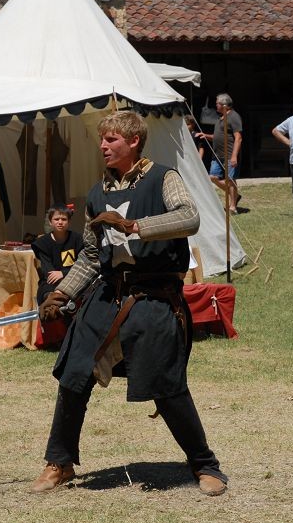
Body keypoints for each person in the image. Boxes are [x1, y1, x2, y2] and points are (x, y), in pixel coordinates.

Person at [34, 110, 228, 497]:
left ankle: (205, 464)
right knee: (73, 374)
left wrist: (137, 226)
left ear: (134, 141)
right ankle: (60, 461)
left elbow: (189, 217)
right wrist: (63, 293)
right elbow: (92, 255)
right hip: (107, 295)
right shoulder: (97, 194)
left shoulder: (163, 178)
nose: (103, 146)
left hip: (154, 297)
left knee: (166, 385)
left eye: (112, 139)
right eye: (102, 139)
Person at [31, 204, 84, 305]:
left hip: (75, 277)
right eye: (56, 219)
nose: (60, 222)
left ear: (69, 222)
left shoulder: (77, 239)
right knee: (46, 290)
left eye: (64, 219)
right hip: (52, 281)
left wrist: (63, 273)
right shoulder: (43, 243)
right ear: (50, 222)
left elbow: (82, 264)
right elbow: (48, 272)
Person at [199, 93, 243, 213]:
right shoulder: (221, 117)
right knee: (212, 177)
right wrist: (206, 135)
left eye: (217, 103)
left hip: (229, 155)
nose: (216, 105)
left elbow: (238, 138)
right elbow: (218, 136)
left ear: (224, 105)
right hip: (217, 156)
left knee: (230, 180)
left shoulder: (234, 117)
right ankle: (235, 195)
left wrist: (234, 156)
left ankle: (233, 206)